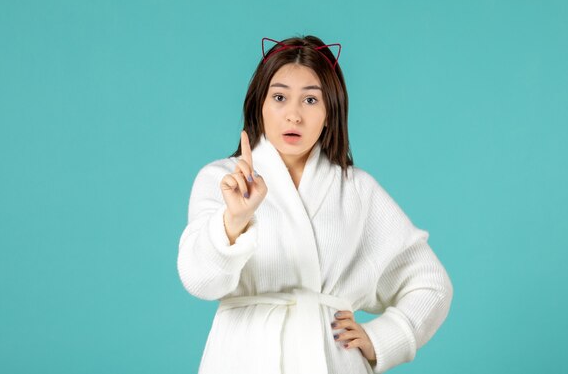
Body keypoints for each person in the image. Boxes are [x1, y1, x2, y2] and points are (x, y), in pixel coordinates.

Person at [176, 35, 453, 374]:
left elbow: (431, 283)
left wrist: (383, 338)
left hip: (332, 361)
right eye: (279, 97)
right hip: (242, 358)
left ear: (330, 112)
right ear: (258, 105)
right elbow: (200, 282)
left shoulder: (357, 190)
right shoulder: (221, 180)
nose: (293, 115)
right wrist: (234, 221)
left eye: (310, 100)